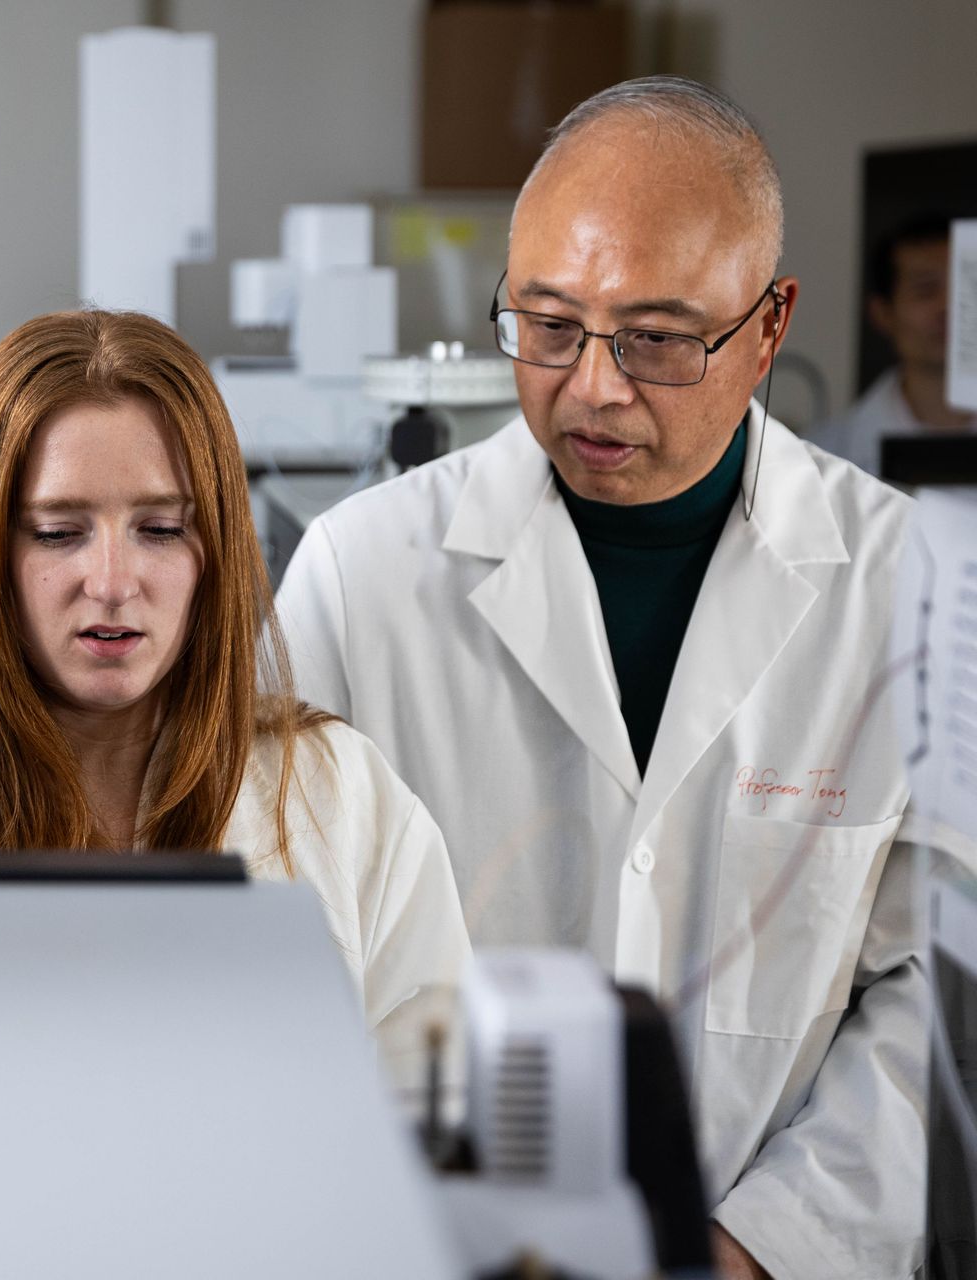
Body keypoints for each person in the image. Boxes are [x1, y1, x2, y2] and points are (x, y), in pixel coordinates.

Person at [277, 77, 919, 1280]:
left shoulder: (905, 592)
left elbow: (934, 1000)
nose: (594, 387)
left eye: (658, 339)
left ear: (770, 326)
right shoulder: (358, 579)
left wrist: (760, 1248)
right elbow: (280, 965)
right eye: (550, 325)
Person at [0, 309, 470, 1077]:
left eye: (161, 528)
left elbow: (437, 1112)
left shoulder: (339, 794)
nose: (110, 584)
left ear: (217, 551)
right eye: (57, 532)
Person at [807, 213, 973, 475]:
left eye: (966, 288)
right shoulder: (824, 455)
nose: (950, 307)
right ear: (883, 313)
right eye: (926, 290)